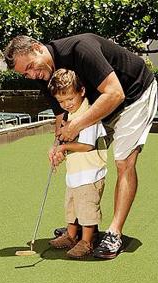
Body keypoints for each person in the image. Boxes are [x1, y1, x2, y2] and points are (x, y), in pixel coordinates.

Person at [4, 33, 158, 259]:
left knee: (124, 161)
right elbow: (61, 115)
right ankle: (86, 226)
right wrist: (58, 145)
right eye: (25, 74)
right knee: (89, 157)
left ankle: (114, 233)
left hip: (134, 95)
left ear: (37, 47)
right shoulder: (43, 74)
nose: (32, 75)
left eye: (30, 67)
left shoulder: (80, 49)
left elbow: (115, 93)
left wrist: (75, 127)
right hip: (102, 103)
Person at [47, 68, 107, 259]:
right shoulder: (69, 116)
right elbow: (63, 139)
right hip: (75, 173)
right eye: (61, 102)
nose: (66, 105)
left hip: (90, 173)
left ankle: (87, 241)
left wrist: (64, 149)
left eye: (70, 99)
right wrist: (57, 148)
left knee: (87, 209)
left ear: (81, 91)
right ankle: (71, 236)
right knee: (72, 207)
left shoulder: (88, 115)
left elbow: (87, 145)